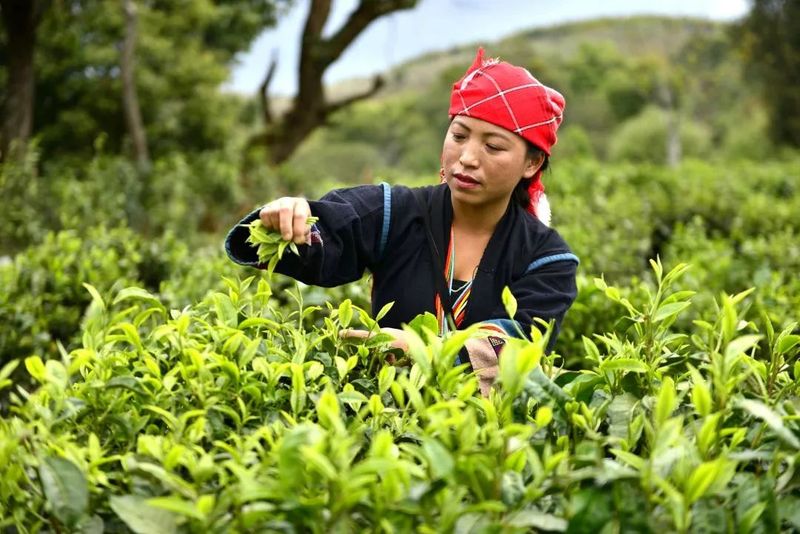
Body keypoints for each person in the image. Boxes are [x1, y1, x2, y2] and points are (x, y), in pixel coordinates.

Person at [226, 48, 579, 395]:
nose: (467, 158)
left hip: (488, 439)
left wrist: (423, 351)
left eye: (493, 147)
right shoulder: (397, 211)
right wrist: (291, 220)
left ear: (531, 164)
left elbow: (523, 345)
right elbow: (335, 225)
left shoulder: (547, 257)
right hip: (386, 423)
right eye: (459, 136)